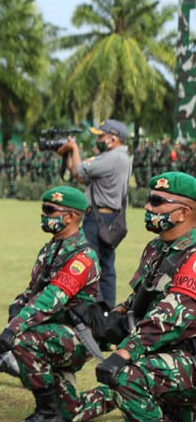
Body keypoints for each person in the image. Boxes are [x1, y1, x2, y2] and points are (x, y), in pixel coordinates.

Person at [93, 172, 196, 422]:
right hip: (178, 351)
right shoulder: (157, 248)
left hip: (188, 349)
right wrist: (115, 317)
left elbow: (172, 315)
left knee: (129, 375)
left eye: (157, 202)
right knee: (151, 366)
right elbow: (144, 298)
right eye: (148, 199)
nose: (148, 207)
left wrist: (124, 352)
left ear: (183, 212)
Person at [0, 186, 111, 422]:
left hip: (76, 335)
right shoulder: (51, 248)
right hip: (54, 331)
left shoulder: (82, 257)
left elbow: (51, 298)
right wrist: (19, 303)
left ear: (70, 217)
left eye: (49, 210)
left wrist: (12, 329)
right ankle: (118, 391)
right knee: (73, 411)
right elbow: (35, 289)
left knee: (24, 341)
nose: (44, 215)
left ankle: (46, 414)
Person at [58, 119, 133, 307]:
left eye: (101, 135)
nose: (98, 139)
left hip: (98, 218)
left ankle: (96, 310)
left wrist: (74, 148)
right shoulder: (121, 157)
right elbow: (81, 176)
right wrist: (68, 154)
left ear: (113, 138)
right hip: (109, 218)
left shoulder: (112, 157)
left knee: (89, 263)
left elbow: (79, 171)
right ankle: (107, 310)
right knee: (106, 266)